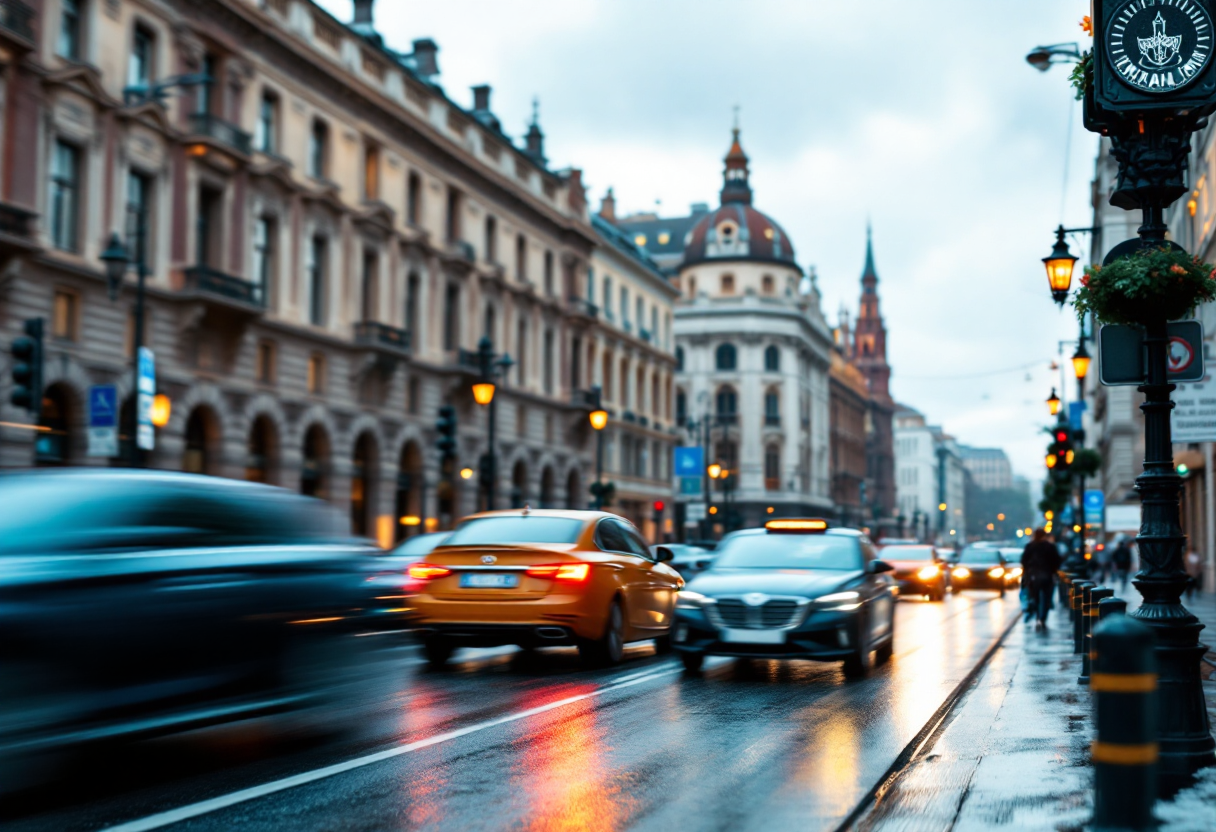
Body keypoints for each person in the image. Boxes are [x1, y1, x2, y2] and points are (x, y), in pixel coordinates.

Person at [1022, 528, 1063, 630]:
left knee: (1035, 597)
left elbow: (1024, 561)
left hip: (1033, 576)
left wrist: (1027, 573)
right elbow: (1057, 560)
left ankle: (1037, 615)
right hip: (1047, 575)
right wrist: (1054, 571)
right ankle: (1043, 617)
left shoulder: (1030, 546)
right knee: (1047, 597)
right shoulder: (1050, 546)